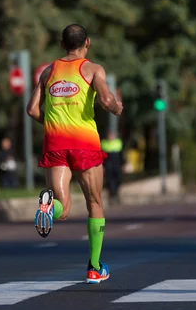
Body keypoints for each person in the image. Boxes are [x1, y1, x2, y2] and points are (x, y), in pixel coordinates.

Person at [26, 24, 123, 284]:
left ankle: (49, 208)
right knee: (94, 204)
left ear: (61, 44)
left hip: (55, 143)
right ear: (87, 43)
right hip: (85, 145)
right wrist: (116, 107)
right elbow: (105, 100)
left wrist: (53, 123)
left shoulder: (48, 72)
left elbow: (33, 110)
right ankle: (94, 267)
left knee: (63, 208)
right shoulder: (93, 69)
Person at [101, 131, 124, 203]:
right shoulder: (103, 144)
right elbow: (102, 157)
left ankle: (117, 195)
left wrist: (124, 164)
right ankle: (111, 196)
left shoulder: (118, 143)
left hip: (117, 165)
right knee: (109, 181)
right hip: (108, 166)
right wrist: (102, 166)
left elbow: (121, 155)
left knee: (118, 180)